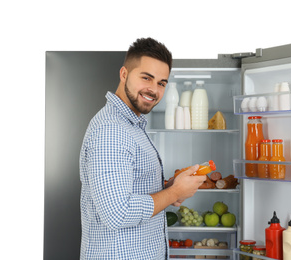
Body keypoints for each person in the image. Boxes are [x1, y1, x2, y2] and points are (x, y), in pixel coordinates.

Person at [79, 37, 207, 259]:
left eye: (161, 83)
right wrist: (175, 192)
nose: (154, 90)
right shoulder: (112, 130)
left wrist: (170, 187)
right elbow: (117, 213)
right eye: (146, 78)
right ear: (124, 74)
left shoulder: (132, 124)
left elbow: (131, 188)